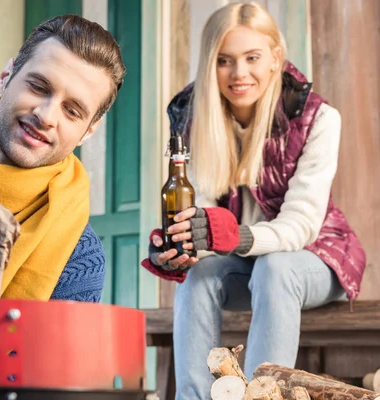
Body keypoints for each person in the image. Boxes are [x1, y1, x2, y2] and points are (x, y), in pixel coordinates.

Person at [141, 2, 366, 398]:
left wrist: (236, 237)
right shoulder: (193, 118)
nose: (239, 73)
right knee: (198, 279)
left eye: (252, 58)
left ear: (275, 58)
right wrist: (181, 249)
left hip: (316, 257)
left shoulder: (318, 119)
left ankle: (263, 396)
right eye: (224, 60)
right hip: (244, 266)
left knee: (275, 269)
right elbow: (204, 216)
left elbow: (300, 225)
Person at [0, 15, 126, 302]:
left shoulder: (80, 256)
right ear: (6, 77)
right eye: (38, 87)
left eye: (72, 111)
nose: (46, 116)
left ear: (87, 131)